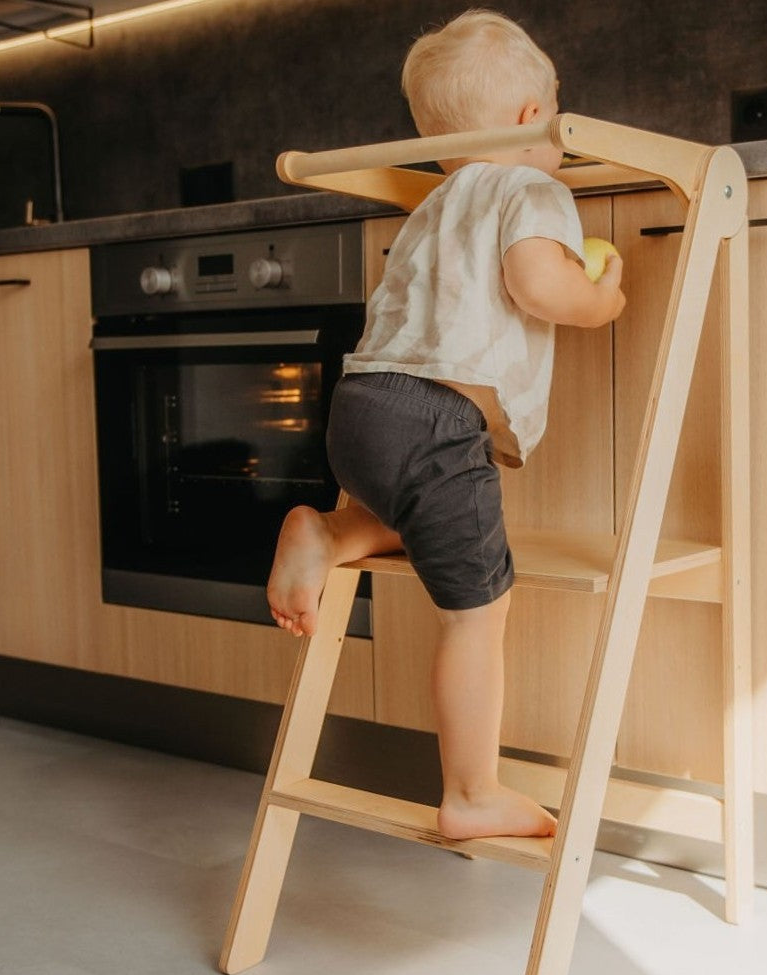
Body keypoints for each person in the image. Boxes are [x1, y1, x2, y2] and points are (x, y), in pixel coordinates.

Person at [267, 9, 625, 841]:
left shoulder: (431, 206)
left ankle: (326, 532)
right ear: (535, 119)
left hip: (361, 407)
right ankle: (470, 791)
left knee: (405, 518)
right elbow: (540, 286)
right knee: (478, 607)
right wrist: (601, 297)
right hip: (436, 416)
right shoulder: (533, 188)